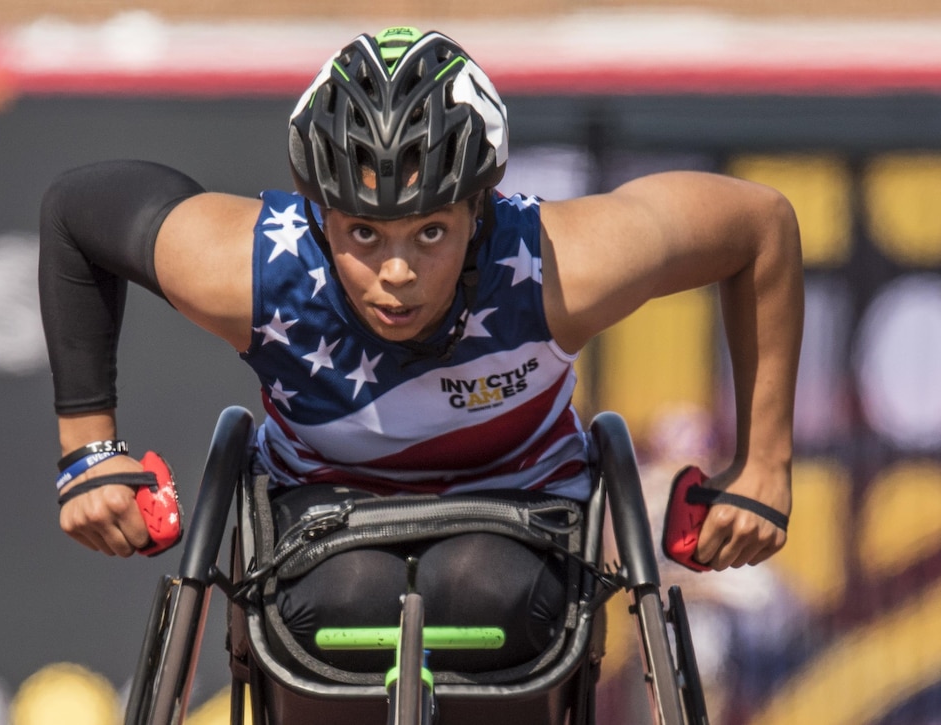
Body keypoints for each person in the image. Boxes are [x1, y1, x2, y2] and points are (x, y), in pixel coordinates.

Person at [39, 27, 802, 672]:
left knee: (477, 588)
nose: (397, 273)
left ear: (480, 209)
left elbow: (759, 225)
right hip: (320, 526)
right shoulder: (253, 270)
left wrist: (764, 464)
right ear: (317, 216)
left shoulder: (562, 264)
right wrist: (88, 451)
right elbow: (78, 212)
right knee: (350, 599)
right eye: (363, 233)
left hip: (519, 516)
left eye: (430, 232)